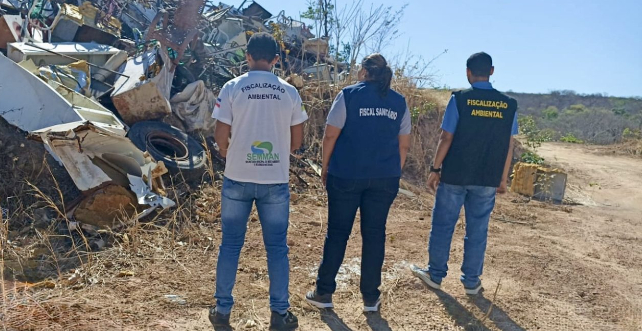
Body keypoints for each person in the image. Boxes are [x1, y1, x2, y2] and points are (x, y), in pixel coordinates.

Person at [209, 33, 308, 331]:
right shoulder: (289, 92)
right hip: (274, 180)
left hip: (237, 178)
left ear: (248, 57)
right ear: (276, 59)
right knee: (277, 248)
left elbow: (220, 135)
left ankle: (222, 310)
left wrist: (229, 153)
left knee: (230, 245)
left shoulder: (232, 87)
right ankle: (280, 313)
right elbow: (297, 142)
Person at [305, 54, 411, 313]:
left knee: (338, 233)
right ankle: (370, 297)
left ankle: (324, 292)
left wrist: (325, 166)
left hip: (346, 175)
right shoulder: (399, 102)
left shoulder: (348, 95)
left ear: (364, 71)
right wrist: (393, 172)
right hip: (385, 178)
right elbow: (404, 145)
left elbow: (330, 135)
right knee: (375, 235)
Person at [410, 52, 518, 295]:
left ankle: (435, 274)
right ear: (492, 71)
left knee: (443, 225)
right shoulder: (509, 105)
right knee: (477, 230)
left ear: (468, 72)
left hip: (455, 175)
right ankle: (471, 282)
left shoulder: (459, 99)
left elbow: (446, 137)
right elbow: (508, 145)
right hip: (487, 177)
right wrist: (502, 178)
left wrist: (435, 169)